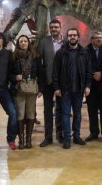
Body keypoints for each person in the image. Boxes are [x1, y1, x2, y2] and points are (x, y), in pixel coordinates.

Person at [53, 28, 92, 149]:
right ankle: (66, 138)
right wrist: (56, 87)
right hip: (65, 90)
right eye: (70, 35)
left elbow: (88, 70)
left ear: (78, 37)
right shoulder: (61, 53)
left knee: (78, 114)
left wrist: (87, 85)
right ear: (67, 37)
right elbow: (55, 72)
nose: (72, 37)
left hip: (79, 89)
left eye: (74, 35)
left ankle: (77, 136)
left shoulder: (84, 52)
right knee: (65, 114)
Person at [11, 35, 43, 149]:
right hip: (19, 89)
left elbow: (40, 73)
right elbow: (8, 73)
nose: (23, 43)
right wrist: (15, 77)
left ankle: (28, 139)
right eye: (21, 41)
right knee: (20, 114)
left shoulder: (35, 57)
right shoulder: (13, 57)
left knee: (30, 113)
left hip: (32, 87)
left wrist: (41, 89)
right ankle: (21, 140)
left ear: (28, 43)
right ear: (18, 43)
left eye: (25, 41)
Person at [37, 19, 66, 147]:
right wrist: (40, 83)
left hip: (63, 82)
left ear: (60, 28)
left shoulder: (66, 42)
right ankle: (48, 137)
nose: (54, 29)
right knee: (47, 110)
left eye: (56, 27)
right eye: (51, 27)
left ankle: (60, 135)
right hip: (48, 80)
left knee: (61, 109)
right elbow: (39, 62)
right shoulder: (44, 42)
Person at [85, 31, 102, 142]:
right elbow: (85, 65)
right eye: (97, 38)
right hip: (91, 86)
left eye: (101, 38)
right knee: (92, 111)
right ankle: (94, 133)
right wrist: (93, 74)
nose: (99, 40)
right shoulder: (85, 50)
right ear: (91, 39)